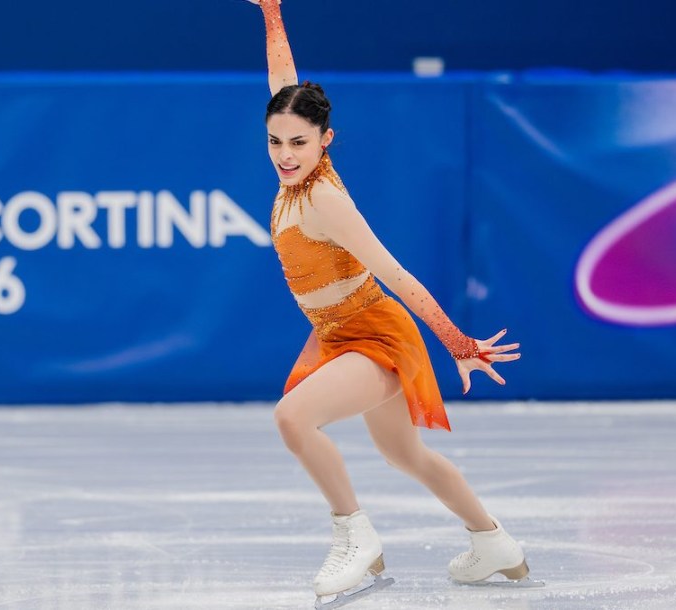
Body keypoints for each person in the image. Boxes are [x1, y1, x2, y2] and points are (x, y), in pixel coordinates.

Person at [246, 0, 536, 604]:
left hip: (375, 332)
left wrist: (456, 341)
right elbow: (283, 82)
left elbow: (399, 276)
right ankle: (494, 543)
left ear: (327, 140)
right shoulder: (289, 171)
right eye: (275, 141)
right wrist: (272, 13)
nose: (285, 154)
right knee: (405, 453)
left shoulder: (326, 200)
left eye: (299, 142)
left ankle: (357, 540)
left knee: (293, 418)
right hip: (336, 334)